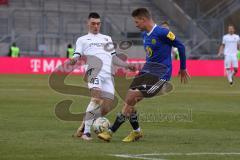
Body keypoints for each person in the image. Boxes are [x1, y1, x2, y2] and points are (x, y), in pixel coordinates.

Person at [98, 8, 190, 142]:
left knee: (130, 98)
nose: (136, 25)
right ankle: (136, 132)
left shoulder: (162, 32)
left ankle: (111, 131)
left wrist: (182, 68)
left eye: (137, 22)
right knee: (129, 101)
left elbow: (181, 46)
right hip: (146, 72)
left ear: (143, 19)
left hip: (160, 75)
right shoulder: (145, 35)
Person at [70, 12, 135, 141]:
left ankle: (84, 124)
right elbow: (76, 54)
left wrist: (126, 65)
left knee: (106, 108)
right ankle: (86, 133)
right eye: (93, 23)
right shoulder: (82, 39)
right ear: (88, 23)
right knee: (96, 98)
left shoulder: (107, 38)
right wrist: (73, 59)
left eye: (98, 24)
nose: (96, 26)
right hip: (93, 71)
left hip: (108, 75)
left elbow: (114, 58)